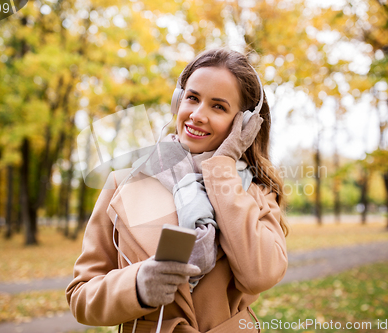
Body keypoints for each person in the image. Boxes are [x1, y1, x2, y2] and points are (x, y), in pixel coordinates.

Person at [66, 48, 289, 333]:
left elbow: (260, 274)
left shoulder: (257, 194)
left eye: (218, 106)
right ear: (177, 101)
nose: (197, 115)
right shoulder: (123, 184)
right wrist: (136, 286)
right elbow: (80, 297)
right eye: (192, 98)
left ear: (242, 125)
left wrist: (222, 166)